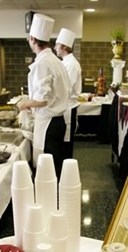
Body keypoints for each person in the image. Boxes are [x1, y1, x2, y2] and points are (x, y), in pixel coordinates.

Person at [18, 14, 70, 176]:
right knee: (54, 167)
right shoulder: (55, 61)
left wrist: (24, 104)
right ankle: (53, 198)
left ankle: (48, 199)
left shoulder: (43, 63)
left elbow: (42, 100)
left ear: (33, 39)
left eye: (29, 38)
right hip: (57, 122)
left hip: (49, 125)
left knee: (47, 170)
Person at [55, 28, 81, 159]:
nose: (55, 48)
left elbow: (67, 88)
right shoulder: (65, 62)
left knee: (67, 143)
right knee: (63, 142)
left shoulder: (71, 64)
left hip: (69, 106)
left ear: (64, 46)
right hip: (65, 105)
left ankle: (66, 168)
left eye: (57, 45)